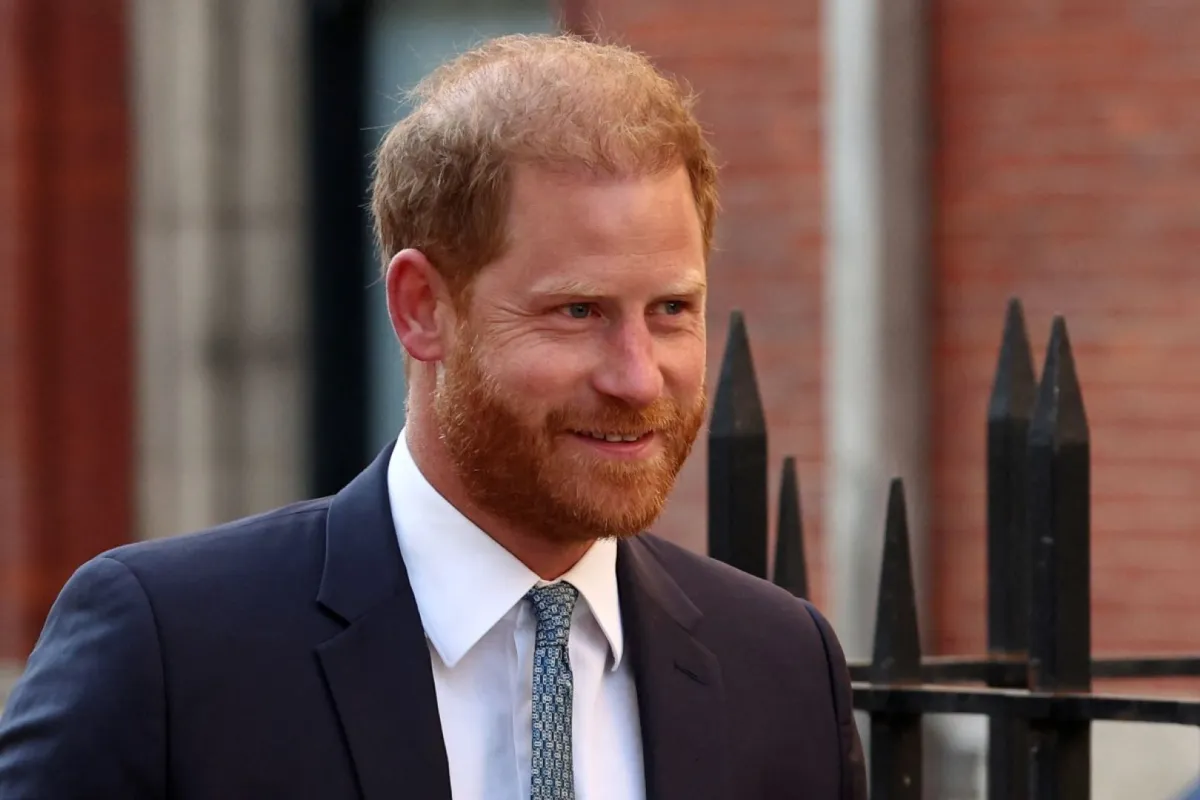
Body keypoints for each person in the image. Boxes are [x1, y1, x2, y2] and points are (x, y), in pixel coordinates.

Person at [0, 33, 865, 799]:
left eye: (671, 310)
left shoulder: (783, 673)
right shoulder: (170, 654)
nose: (638, 378)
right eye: (577, 312)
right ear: (421, 308)